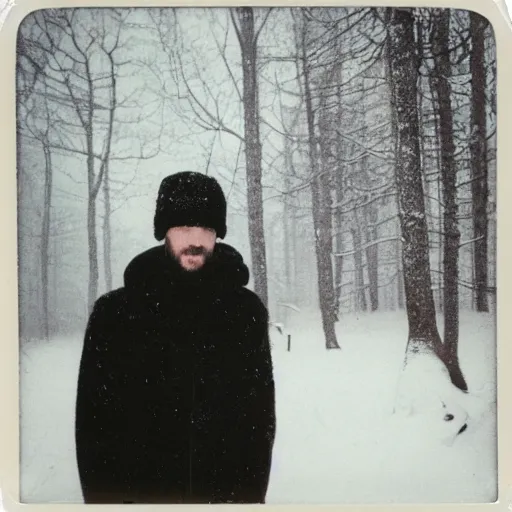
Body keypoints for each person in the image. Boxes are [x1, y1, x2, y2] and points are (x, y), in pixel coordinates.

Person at [75, 171, 276, 504]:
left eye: (206, 229)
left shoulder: (244, 313)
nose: (195, 240)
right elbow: (94, 430)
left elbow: (258, 422)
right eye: (184, 227)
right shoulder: (115, 315)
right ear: (163, 232)